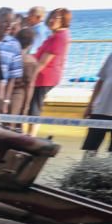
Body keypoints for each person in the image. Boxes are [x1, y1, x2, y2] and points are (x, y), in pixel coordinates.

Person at [29, 8, 72, 136]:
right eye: (52, 17)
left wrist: (29, 79)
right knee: (34, 105)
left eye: (57, 18)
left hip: (44, 78)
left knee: (35, 107)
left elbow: (43, 63)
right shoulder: (56, 35)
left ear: (64, 21)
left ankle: (31, 136)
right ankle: (30, 134)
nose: (52, 20)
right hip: (44, 76)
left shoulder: (59, 37)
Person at [8, 28, 39, 130]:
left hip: (4, 93)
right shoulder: (32, 62)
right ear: (31, 44)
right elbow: (30, 86)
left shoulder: (9, 56)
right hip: (19, 96)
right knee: (13, 127)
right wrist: (26, 105)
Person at [82, 51, 112, 152]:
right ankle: (86, 167)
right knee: (90, 149)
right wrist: (90, 105)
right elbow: (100, 81)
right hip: (101, 109)